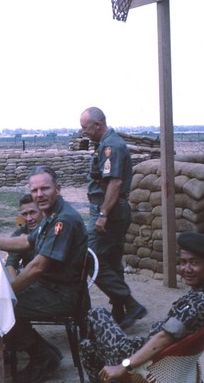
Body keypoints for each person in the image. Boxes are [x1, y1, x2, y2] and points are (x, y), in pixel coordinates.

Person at [80, 232, 204, 383]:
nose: (186, 269)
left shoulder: (199, 304)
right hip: (163, 358)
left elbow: (163, 338)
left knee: (96, 314)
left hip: (146, 360)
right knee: (88, 347)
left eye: (194, 263)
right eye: (183, 262)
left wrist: (123, 366)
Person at [0, 165, 88, 383]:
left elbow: (38, 267)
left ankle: (42, 357)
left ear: (58, 189)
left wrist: (8, 292)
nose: (39, 195)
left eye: (45, 188)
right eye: (35, 190)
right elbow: (26, 240)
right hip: (49, 288)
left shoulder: (64, 220)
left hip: (61, 294)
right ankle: (45, 353)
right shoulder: (51, 214)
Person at [80, 106, 147, 329]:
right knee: (110, 259)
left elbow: (115, 182)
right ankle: (120, 310)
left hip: (109, 210)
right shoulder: (106, 144)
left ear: (97, 125)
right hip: (111, 209)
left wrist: (103, 214)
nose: (84, 132)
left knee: (89, 258)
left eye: (85, 128)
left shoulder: (111, 146)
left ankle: (130, 303)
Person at [5, 194, 42, 280]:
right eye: (25, 214)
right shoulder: (19, 234)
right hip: (30, 281)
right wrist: (13, 290)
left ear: (42, 212)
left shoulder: (51, 230)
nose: (29, 218)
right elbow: (11, 265)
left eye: (33, 212)